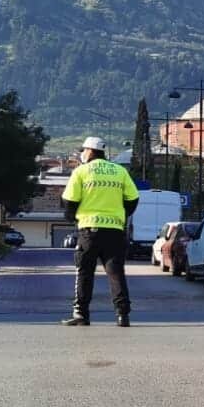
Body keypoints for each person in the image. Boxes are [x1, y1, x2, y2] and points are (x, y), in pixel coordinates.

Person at [60, 137, 140, 326]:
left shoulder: (81, 171)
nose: (82, 153)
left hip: (89, 230)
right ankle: (122, 315)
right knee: (115, 273)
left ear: (90, 151)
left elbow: (69, 201)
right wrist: (121, 215)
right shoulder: (120, 171)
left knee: (84, 272)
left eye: (83, 150)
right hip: (114, 230)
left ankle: (81, 314)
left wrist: (72, 217)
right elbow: (133, 199)